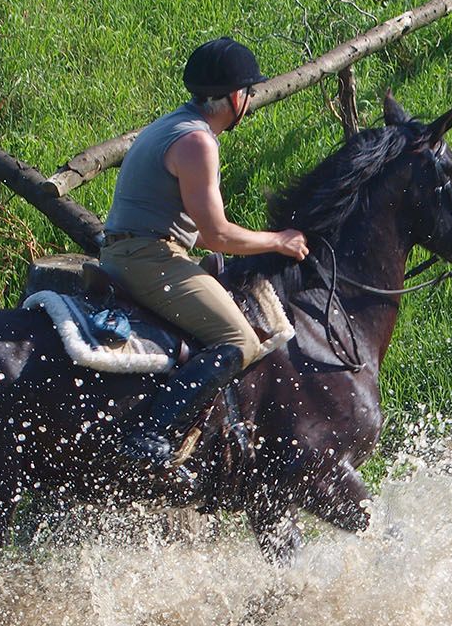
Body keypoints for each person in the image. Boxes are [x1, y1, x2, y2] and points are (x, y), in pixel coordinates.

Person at [100, 37, 309, 467]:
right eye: (248, 92)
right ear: (234, 97)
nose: (249, 100)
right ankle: (150, 432)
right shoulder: (197, 142)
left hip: (144, 251)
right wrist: (279, 240)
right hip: (150, 257)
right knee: (239, 339)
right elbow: (216, 235)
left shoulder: (173, 124)